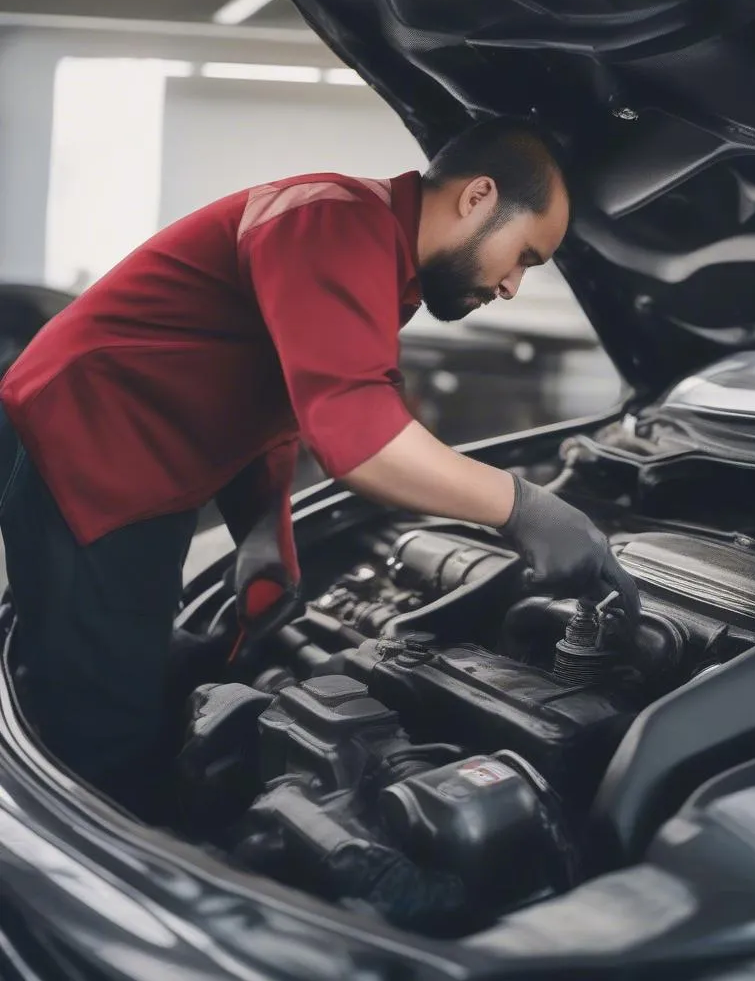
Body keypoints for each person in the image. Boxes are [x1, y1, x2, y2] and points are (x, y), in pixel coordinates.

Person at [0, 117, 640, 816]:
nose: (514, 284)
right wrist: (525, 507)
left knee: (117, 679)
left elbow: (273, 399)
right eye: (525, 256)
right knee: (102, 738)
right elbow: (360, 441)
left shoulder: (369, 248)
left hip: (130, 455)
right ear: (479, 197)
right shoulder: (333, 220)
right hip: (95, 449)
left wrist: (263, 531)